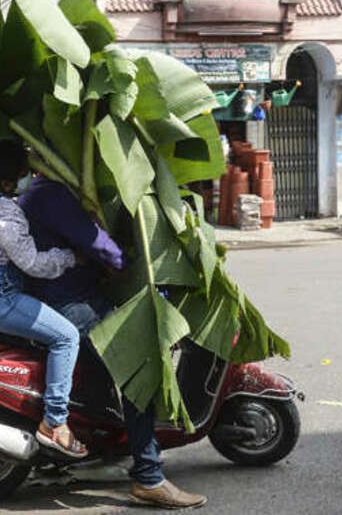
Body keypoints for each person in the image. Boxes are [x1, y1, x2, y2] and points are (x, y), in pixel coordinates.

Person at [18, 175, 208, 510]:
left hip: (67, 298)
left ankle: (105, 449)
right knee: (137, 371)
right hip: (70, 305)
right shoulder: (52, 194)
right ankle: (149, 478)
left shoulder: (43, 190)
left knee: (103, 375)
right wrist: (133, 267)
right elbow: (96, 242)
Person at [0, 141, 87, 458]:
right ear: (9, 181)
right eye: (25, 174)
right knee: (66, 336)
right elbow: (32, 263)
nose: (30, 179)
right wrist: (72, 257)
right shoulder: (5, 209)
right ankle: (55, 423)